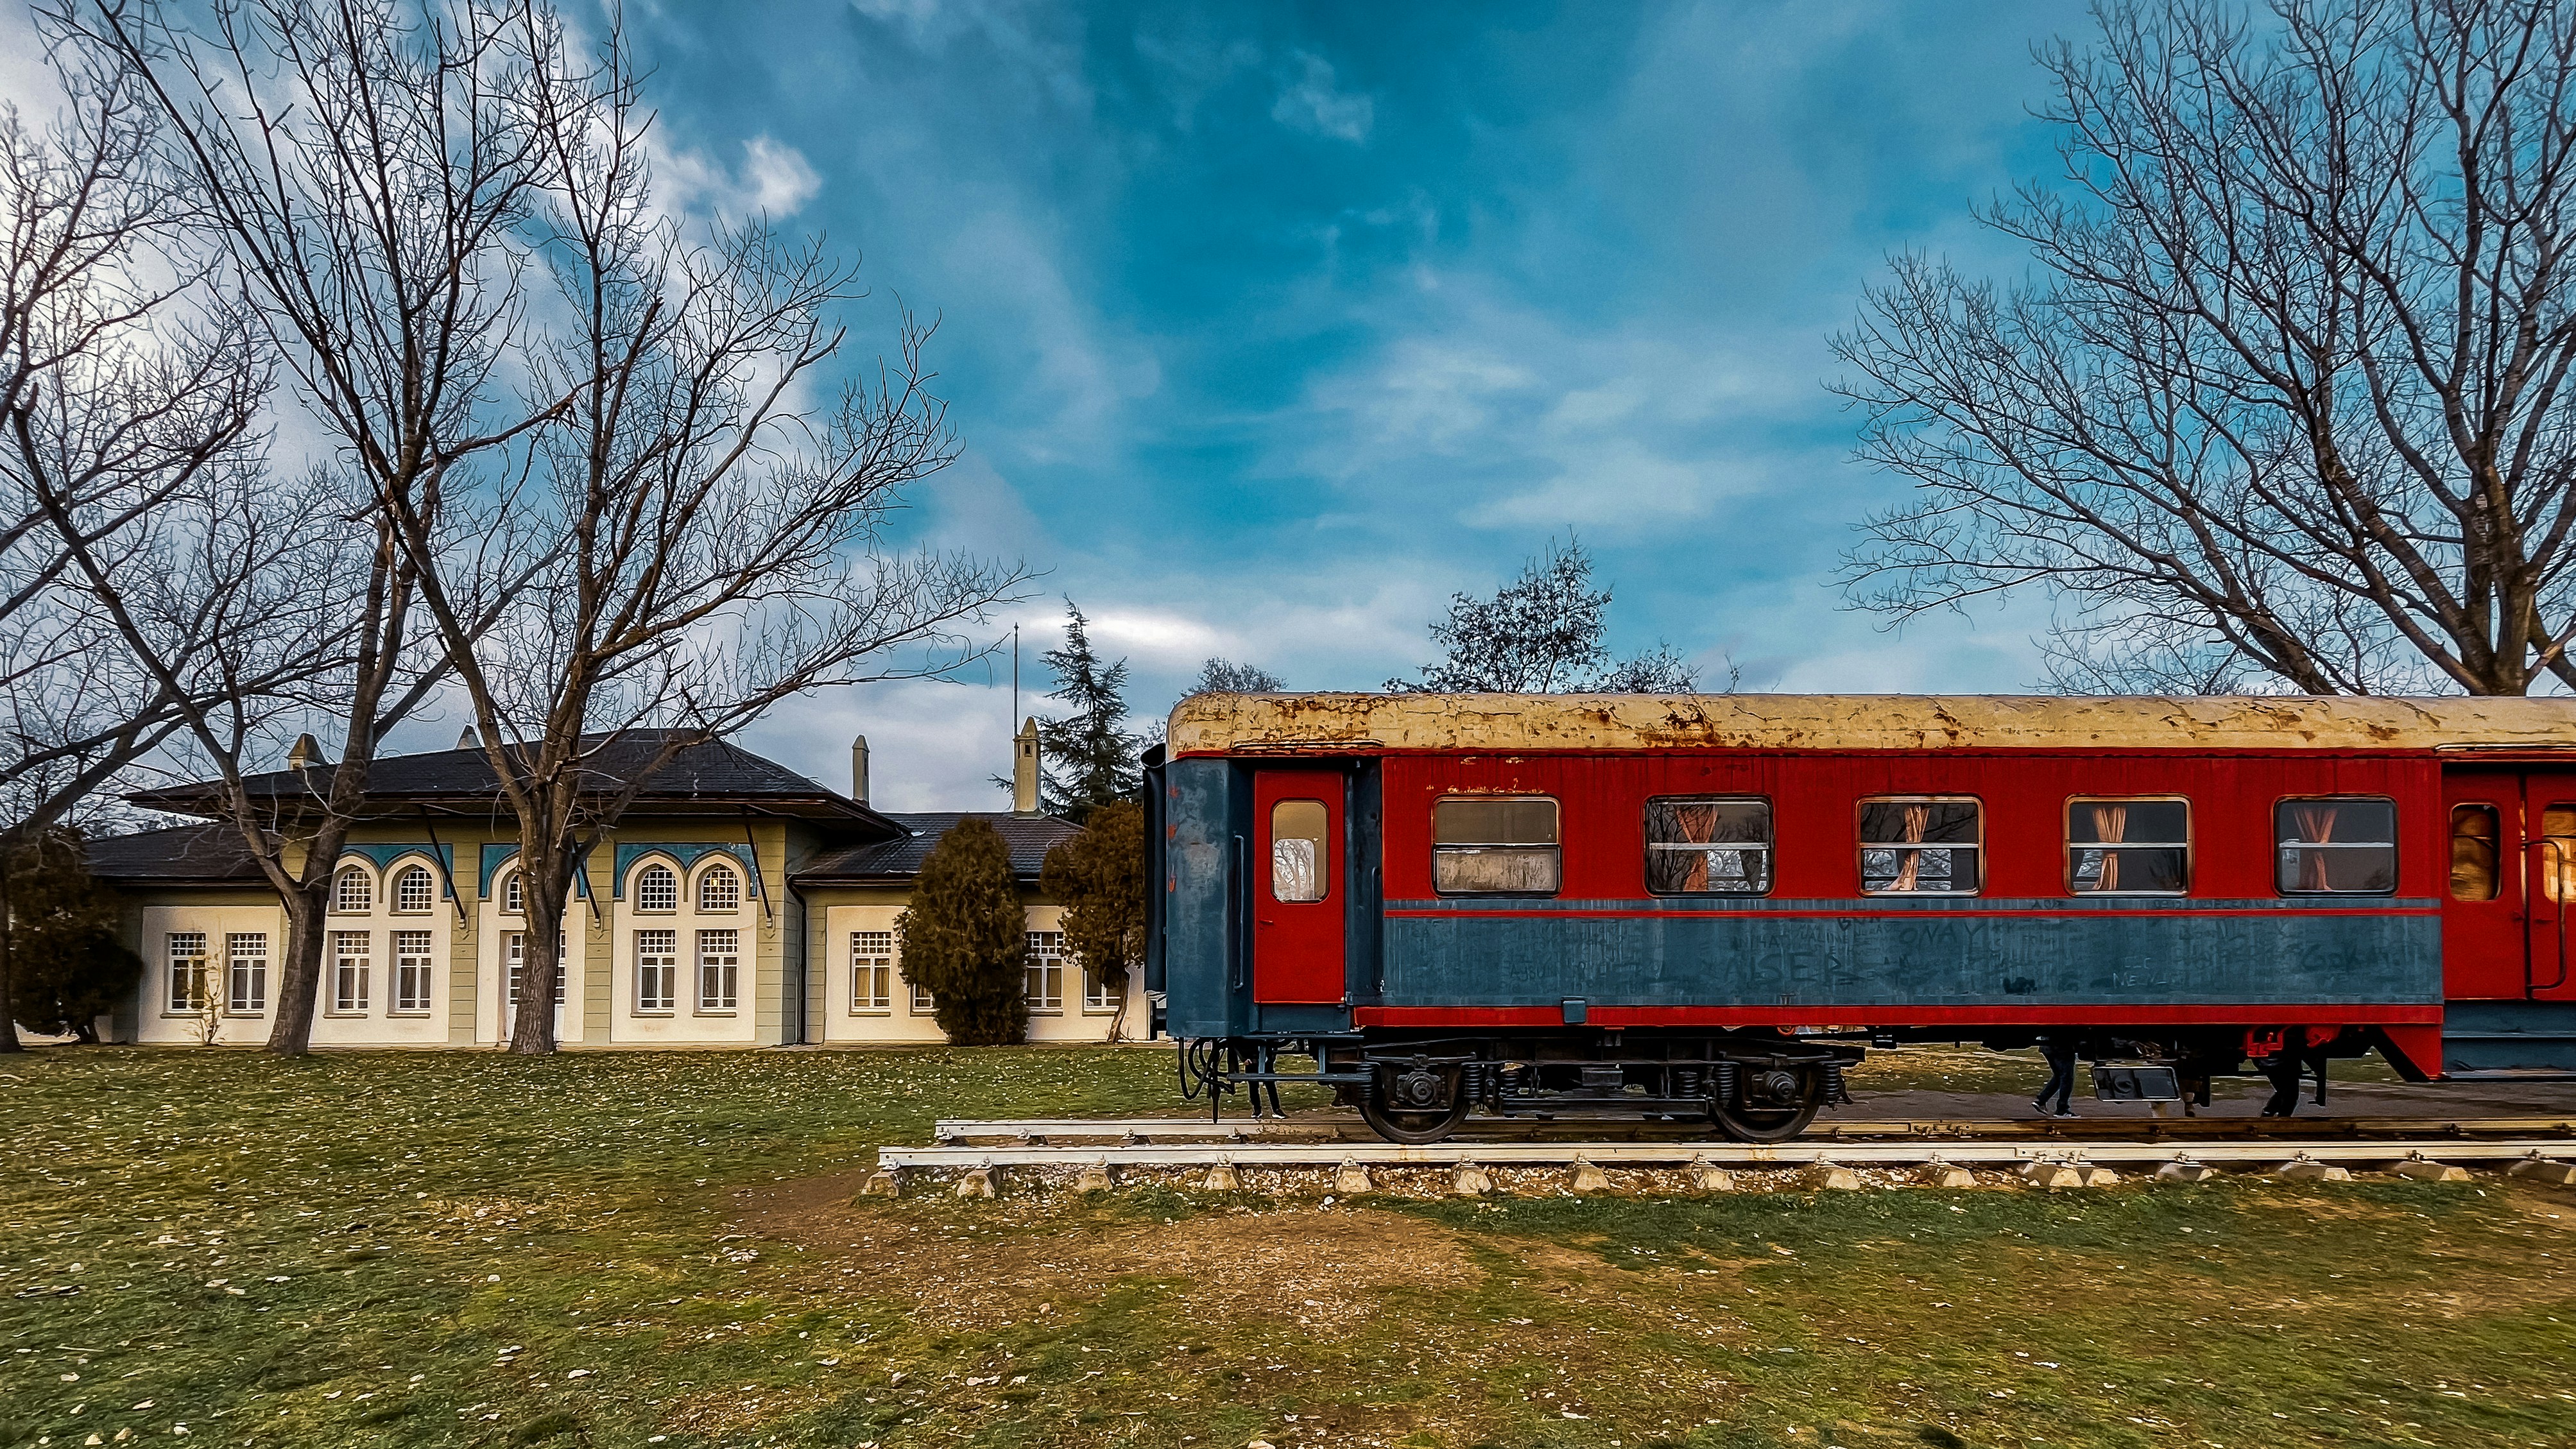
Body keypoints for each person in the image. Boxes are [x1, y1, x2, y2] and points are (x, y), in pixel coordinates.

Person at [2032, 1035, 2080, 1118]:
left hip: (2047, 1046)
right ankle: (2062, 1109)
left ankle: (2042, 1100)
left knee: (2059, 1076)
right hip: (2062, 1046)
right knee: (2067, 1078)